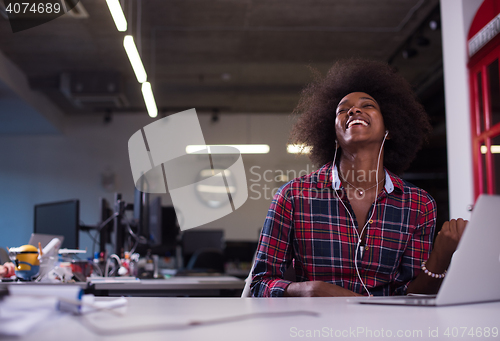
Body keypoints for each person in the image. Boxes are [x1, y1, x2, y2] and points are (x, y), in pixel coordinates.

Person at [250, 59, 467, 297]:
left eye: (368, 105)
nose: (353, 110)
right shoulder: (293, 196)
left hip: (385, 331)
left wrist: (442, 256)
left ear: (389, 129)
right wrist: (311, 289)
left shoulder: (418, 204)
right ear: (333, 134)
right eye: (342, 110)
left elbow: (412, 296)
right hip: (313, 329)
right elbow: (260, 283)